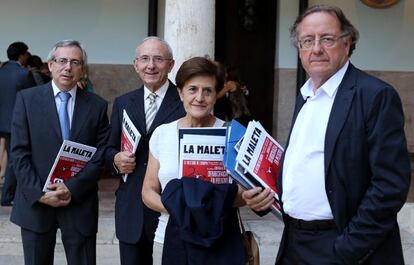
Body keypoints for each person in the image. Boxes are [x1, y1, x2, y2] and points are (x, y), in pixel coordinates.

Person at [242, 4, 411, 265]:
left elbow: (390, 186)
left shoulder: (374, 96)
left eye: (327, 39)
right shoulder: (305, 95)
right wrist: (264, 200)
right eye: (307, 40)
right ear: (299, 49)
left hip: (342, 246)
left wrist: (347, 249)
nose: (316, 48)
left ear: (347, 43)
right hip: (294, 243)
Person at [10, 40, 109, 265]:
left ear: (82, 69)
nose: (68, 67)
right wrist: (40, 193)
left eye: (75, 62)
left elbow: (100, 155)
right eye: (62, 61)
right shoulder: (27, 100)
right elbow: (19, 153)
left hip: (79, 203)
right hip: (36, 204)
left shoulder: (97, 106)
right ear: (50, 64)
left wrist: (71, 187)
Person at [142, 56, 246, 265]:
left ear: (216, 96)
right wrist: (182, 206)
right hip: (169, 239)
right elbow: (148, 191)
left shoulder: (232, 134)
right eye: (192, 89)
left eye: (207, 91)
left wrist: (205, 207)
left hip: (221, 239)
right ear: (180, 93)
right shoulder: (162, 134)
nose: (200, 97)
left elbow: (243, 193)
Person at [105, 36, 185, 265]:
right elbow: (109, 148)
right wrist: (115, 159)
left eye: (158, 59)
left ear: (170, 65)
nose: (151, 65)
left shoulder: (184, 101)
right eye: (145, 59)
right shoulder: (123, 103)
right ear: (135, 64)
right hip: (132, 207)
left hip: (170, 204)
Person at [0, 41, 36, 206]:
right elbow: (35, 97)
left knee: (12, 157)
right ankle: (7, 196)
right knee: (15, 159)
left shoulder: (2, 71)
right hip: (16, 122)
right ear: (22, 55)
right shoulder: (23, 74)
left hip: (2, 122)